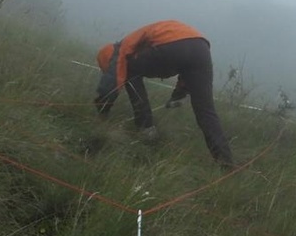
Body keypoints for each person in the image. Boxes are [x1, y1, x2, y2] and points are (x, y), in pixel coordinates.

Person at [94, 20, 234, 166]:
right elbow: (185, 58)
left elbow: (111, 82)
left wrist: (103, 108)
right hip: (200, 47)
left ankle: (146, 128)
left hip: (173, 43)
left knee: (129, 70)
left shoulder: (119, 51)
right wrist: (179, 93)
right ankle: (226, 161)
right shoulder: (136, 44)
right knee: (205, 110)